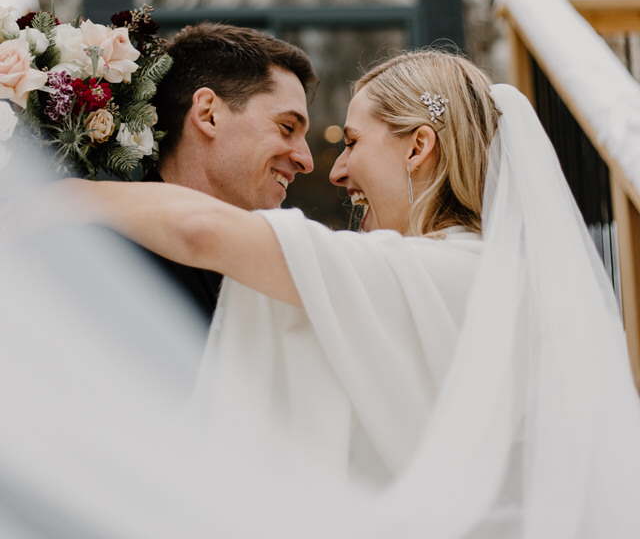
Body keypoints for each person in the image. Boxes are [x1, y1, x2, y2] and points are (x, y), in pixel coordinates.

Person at [61, 48, 640, 538]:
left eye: (353, 141)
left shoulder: (441, 270)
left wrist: (48, 196)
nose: (334, 172)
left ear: (417, 148)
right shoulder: (507, 276)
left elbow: (201, 230)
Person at [133, 21, 316, 321]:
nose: (306, 160)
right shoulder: (116, 261)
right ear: (208, 114)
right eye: (287, 128)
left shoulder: (267, 272)